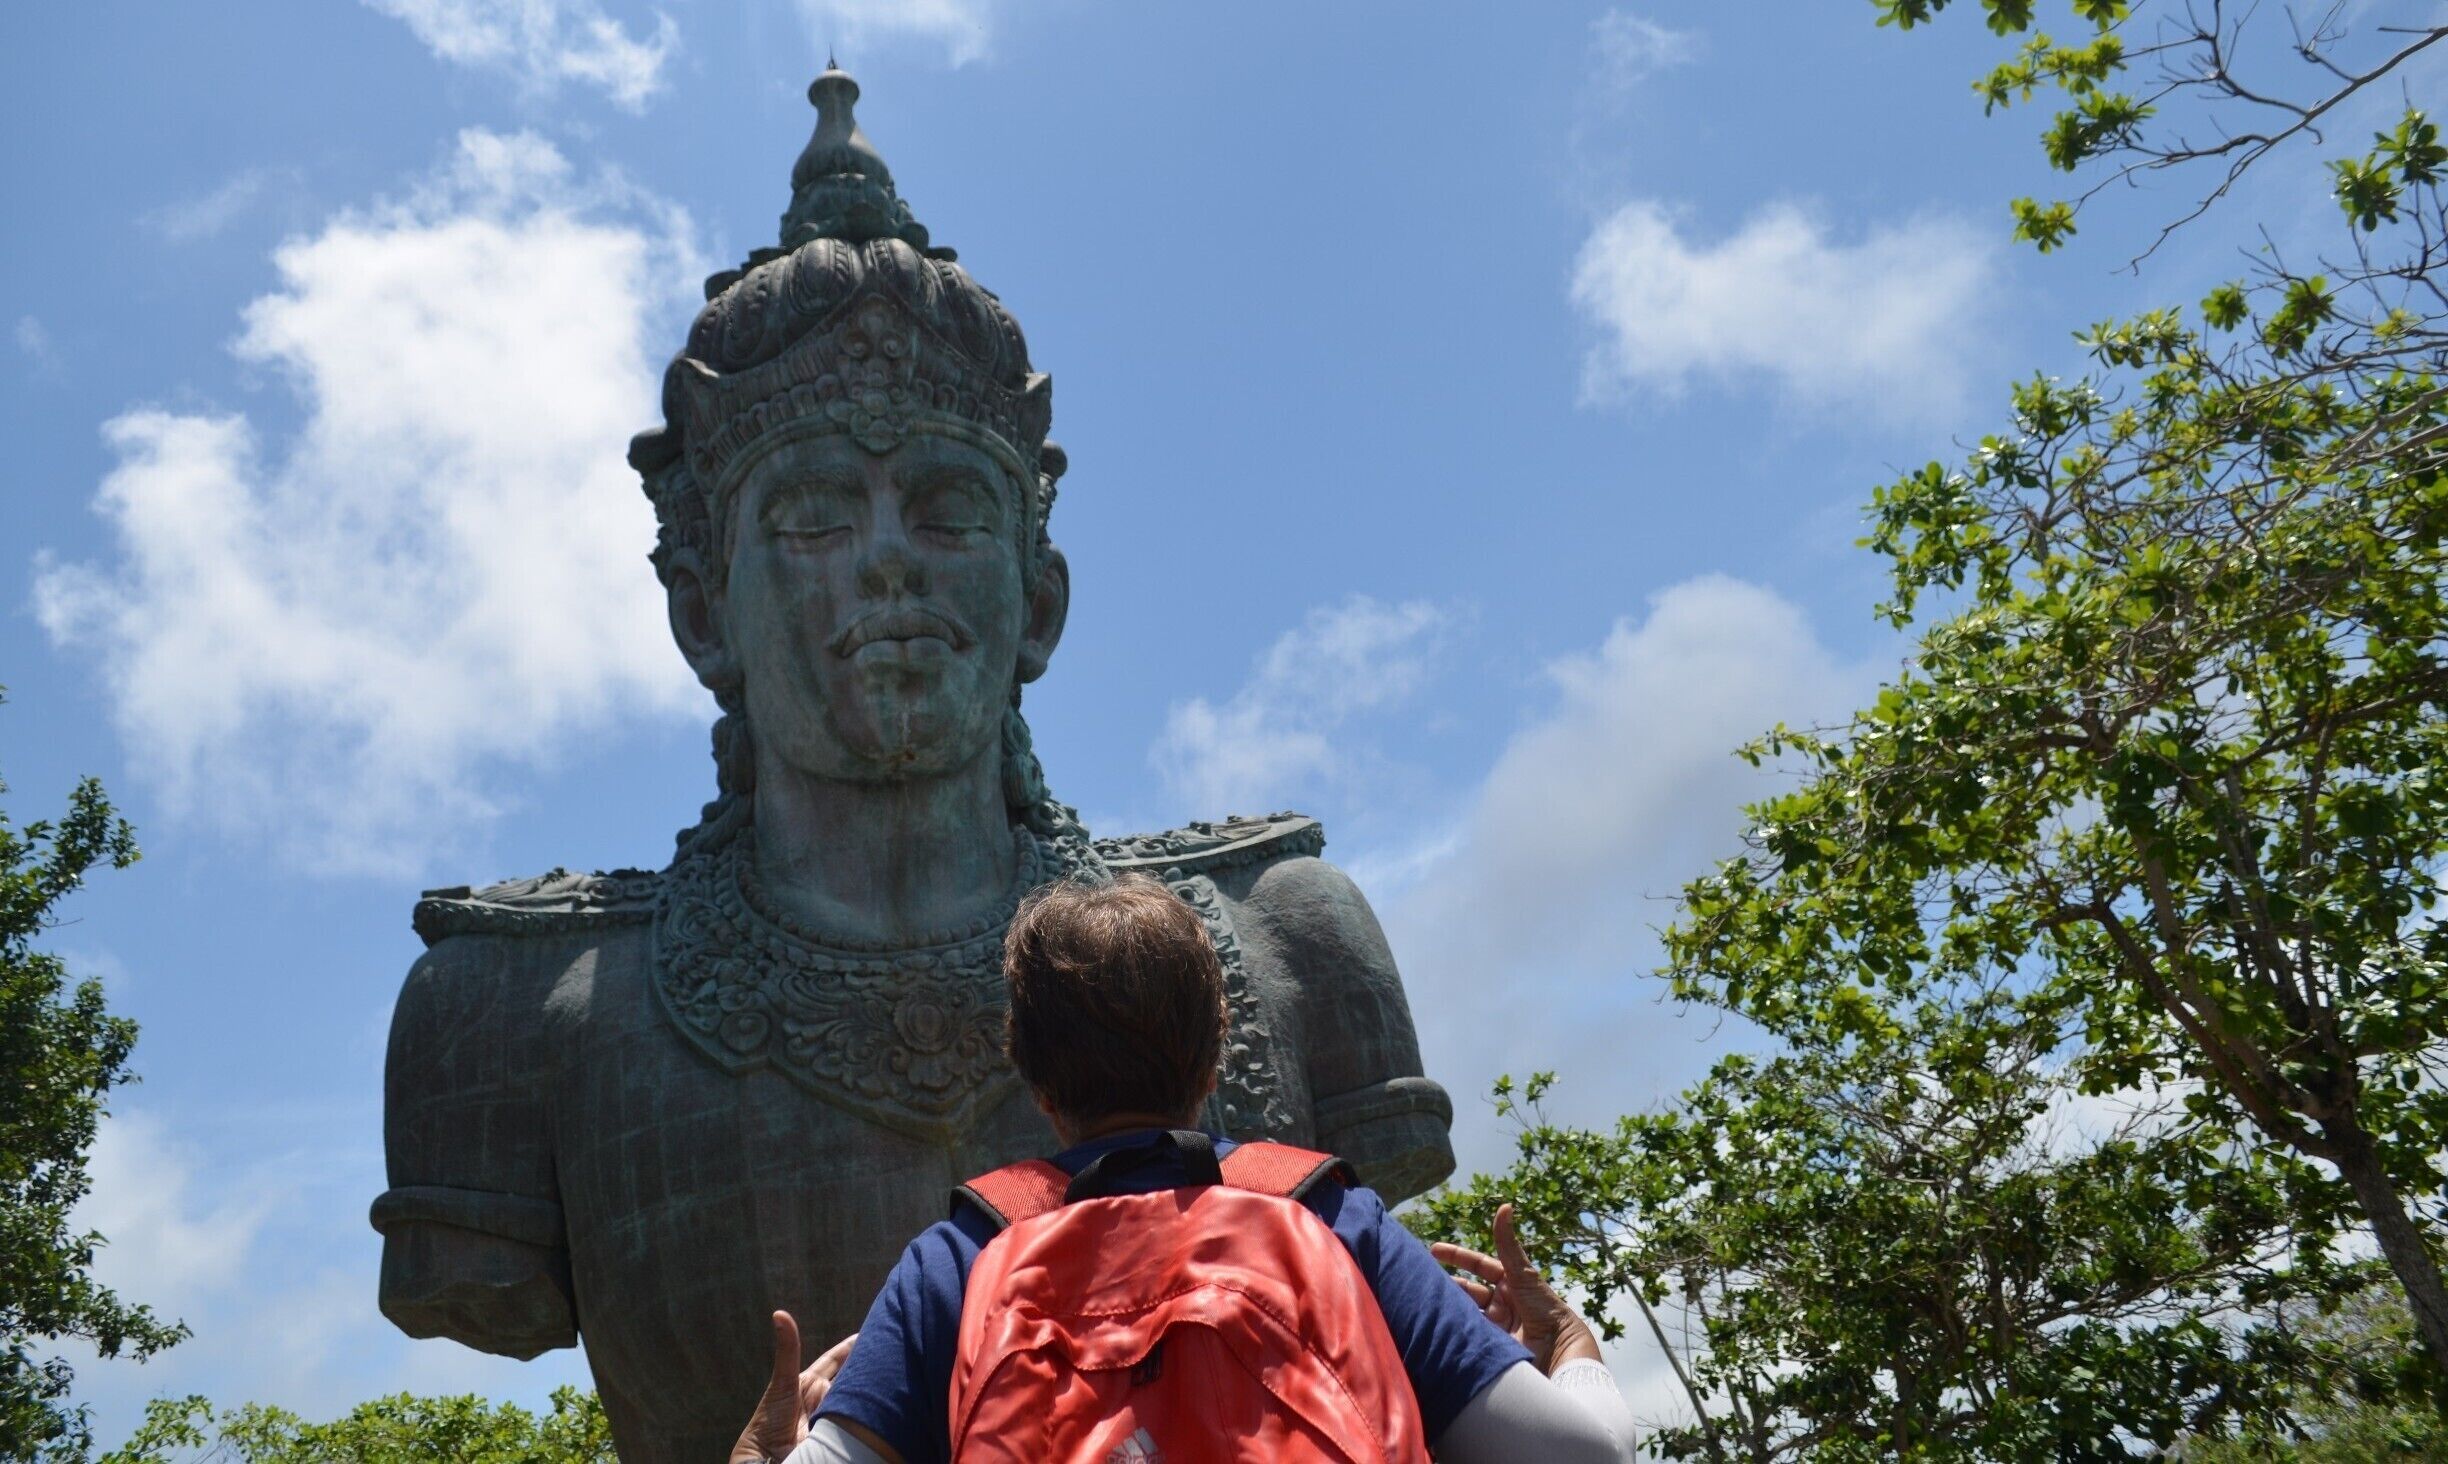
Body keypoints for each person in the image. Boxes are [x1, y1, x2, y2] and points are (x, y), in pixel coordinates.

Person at [728, 875, 1638, 1463]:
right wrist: (1574, 1350)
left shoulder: (960, 1258)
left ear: (1034, 1078)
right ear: (1212, 1060)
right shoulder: (1326, 1215)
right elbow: (1584, 1457)